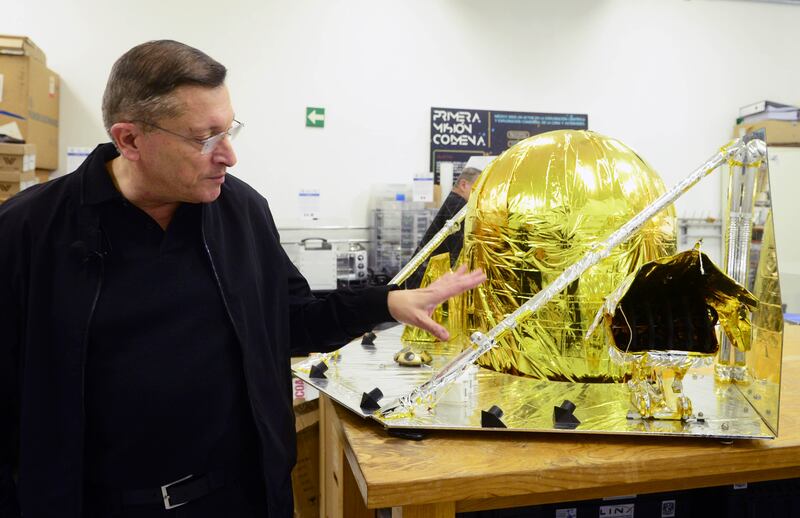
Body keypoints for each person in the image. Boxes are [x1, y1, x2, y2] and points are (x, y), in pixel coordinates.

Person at [0, 40, 485, 518]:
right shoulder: (29, 231)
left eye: (229, 130)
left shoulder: (241, 212)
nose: (228, 156)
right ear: (129, 140)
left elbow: (292, 322)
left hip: (238, 498)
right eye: (204, 137)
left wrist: (386, 304)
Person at [404, 166, 482, 289]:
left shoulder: (452, 202)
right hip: (427, 278)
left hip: (420, 275)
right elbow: (457, 251)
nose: (480, 194)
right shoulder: (458, 207)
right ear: (463, 185)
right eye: (478, 188)